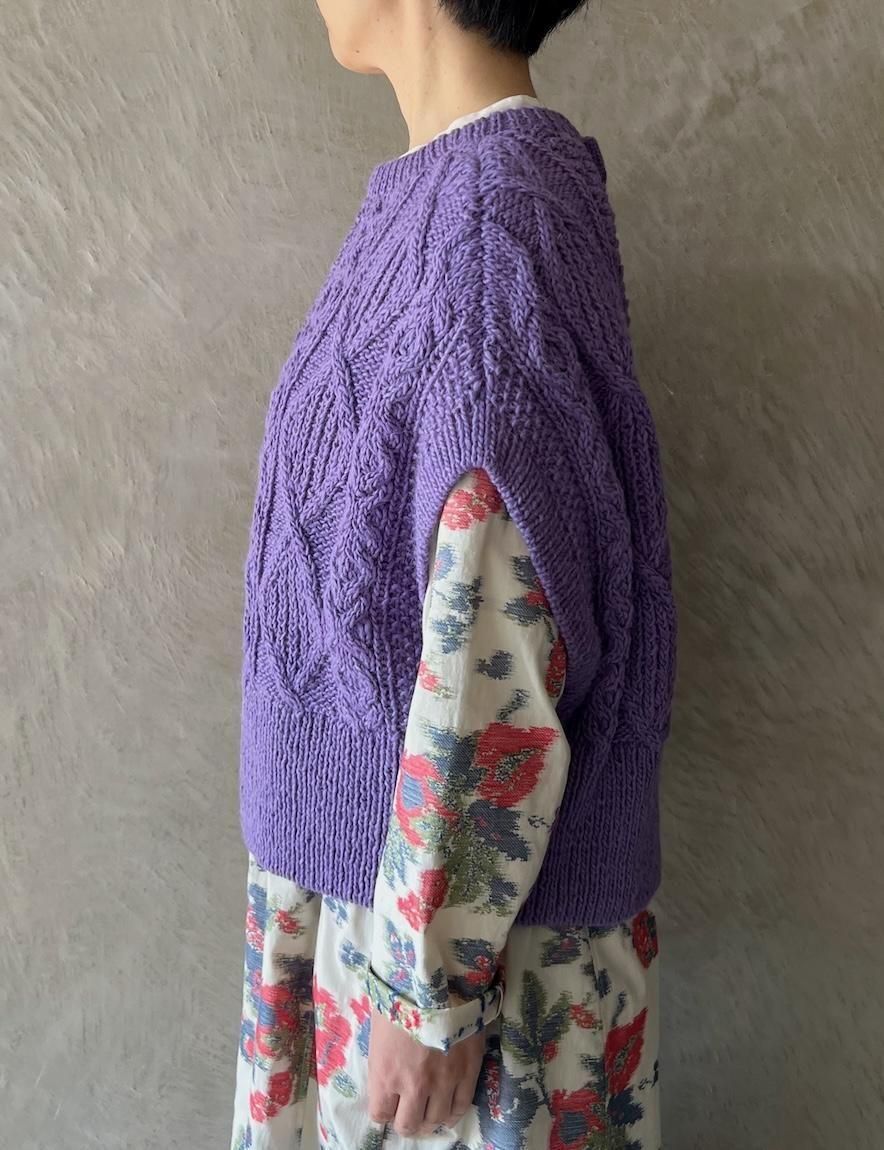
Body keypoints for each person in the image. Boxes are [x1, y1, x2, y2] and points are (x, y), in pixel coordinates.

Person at [230, 3, 677, 1148]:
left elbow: (499, 620)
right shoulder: (454, 195)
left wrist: (426, 990)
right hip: (396, 915)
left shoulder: (490, 221)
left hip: (448, 967)